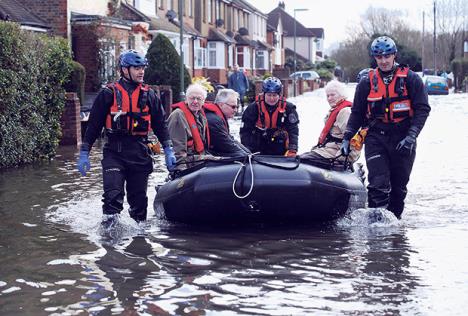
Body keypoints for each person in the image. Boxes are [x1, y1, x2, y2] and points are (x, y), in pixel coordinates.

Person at [76, 50, 176, 225]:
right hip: (114, 152)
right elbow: (93, 125)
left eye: (143, 67)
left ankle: (139, 242)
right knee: (112, 197)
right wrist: (84, 152)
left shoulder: (150, 95)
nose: (141, 71)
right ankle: (109, 240)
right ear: (124, 70)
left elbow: (161, 125)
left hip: (139, 152)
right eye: (137, 68)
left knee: (139, 204)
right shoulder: (108, 94)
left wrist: (168, 149)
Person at [340, 36, 431, 219]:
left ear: (394, 55)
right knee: (378, 185)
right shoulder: (366, 82)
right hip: (376, 137)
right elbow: (357, 113)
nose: (383, 61)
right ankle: (377, 232)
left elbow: (423, 109)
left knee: (399, 187)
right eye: (379, 57)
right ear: (374, 58)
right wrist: (347, 137)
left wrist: (411, 137)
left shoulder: (411, 79)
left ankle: (395, 230)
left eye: (387, 56)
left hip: (404, 138)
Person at [301, 80, 360, 166]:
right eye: (327, 96)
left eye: (332, 95)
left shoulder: (345, 112)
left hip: (337, 152)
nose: (329, 98)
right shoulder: (335, 109)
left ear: (341, 94)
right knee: (301, 158)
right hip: (329, 148)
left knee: (302, 160)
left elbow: (352, 138)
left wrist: (340, 159)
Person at [240, 77, 299, 156]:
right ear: (264, 94)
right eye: (269, 95)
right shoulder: (253, 108)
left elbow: (293, 130)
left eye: (274, 95)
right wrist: (246, 150)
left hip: (280, 145)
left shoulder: (288, 108)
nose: (272, 98)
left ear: (279, 95)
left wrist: (292, 149)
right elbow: (245, 131)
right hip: (259, 145)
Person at [167, 83, 214, 171]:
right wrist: (181, 171)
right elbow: (177, 150)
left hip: (198, 159)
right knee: (215, 161)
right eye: (192, 98)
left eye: (199, 99)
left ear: (203, 101)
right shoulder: (178, 116)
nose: (195, 101)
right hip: (186, 162)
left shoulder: (201, 116)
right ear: (186, 99)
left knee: (222, 161)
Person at [203, 88, 250, 157]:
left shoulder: (217, 117)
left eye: (237, 107)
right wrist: (248, 156)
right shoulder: (214, 121)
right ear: (221, 105)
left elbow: (230, 140)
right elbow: (226, 144)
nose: (236, 110)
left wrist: (248, 153)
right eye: (233, 107)